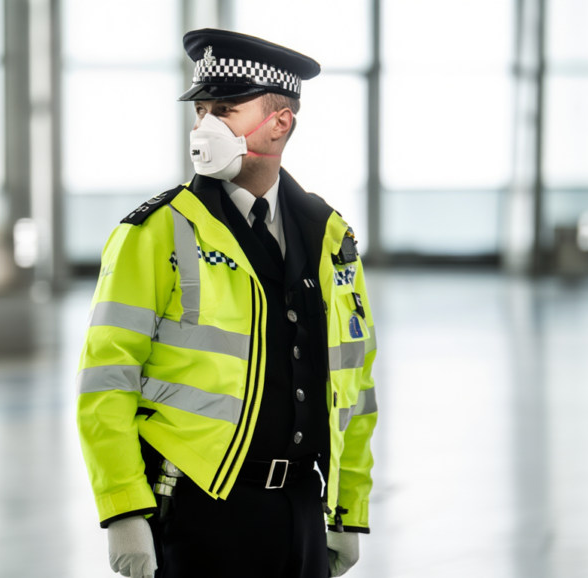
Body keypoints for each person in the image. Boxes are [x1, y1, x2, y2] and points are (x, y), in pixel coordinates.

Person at [76, 28, 378, 578]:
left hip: (304, 509)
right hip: (200, 513)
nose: (204, 127)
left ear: (280, 123)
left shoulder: (331, 237)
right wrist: (124, 509)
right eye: (201, 112)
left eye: (224, 110)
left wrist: (348, 508)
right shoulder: (156, 233)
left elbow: (354, 382)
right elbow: (106, 381)